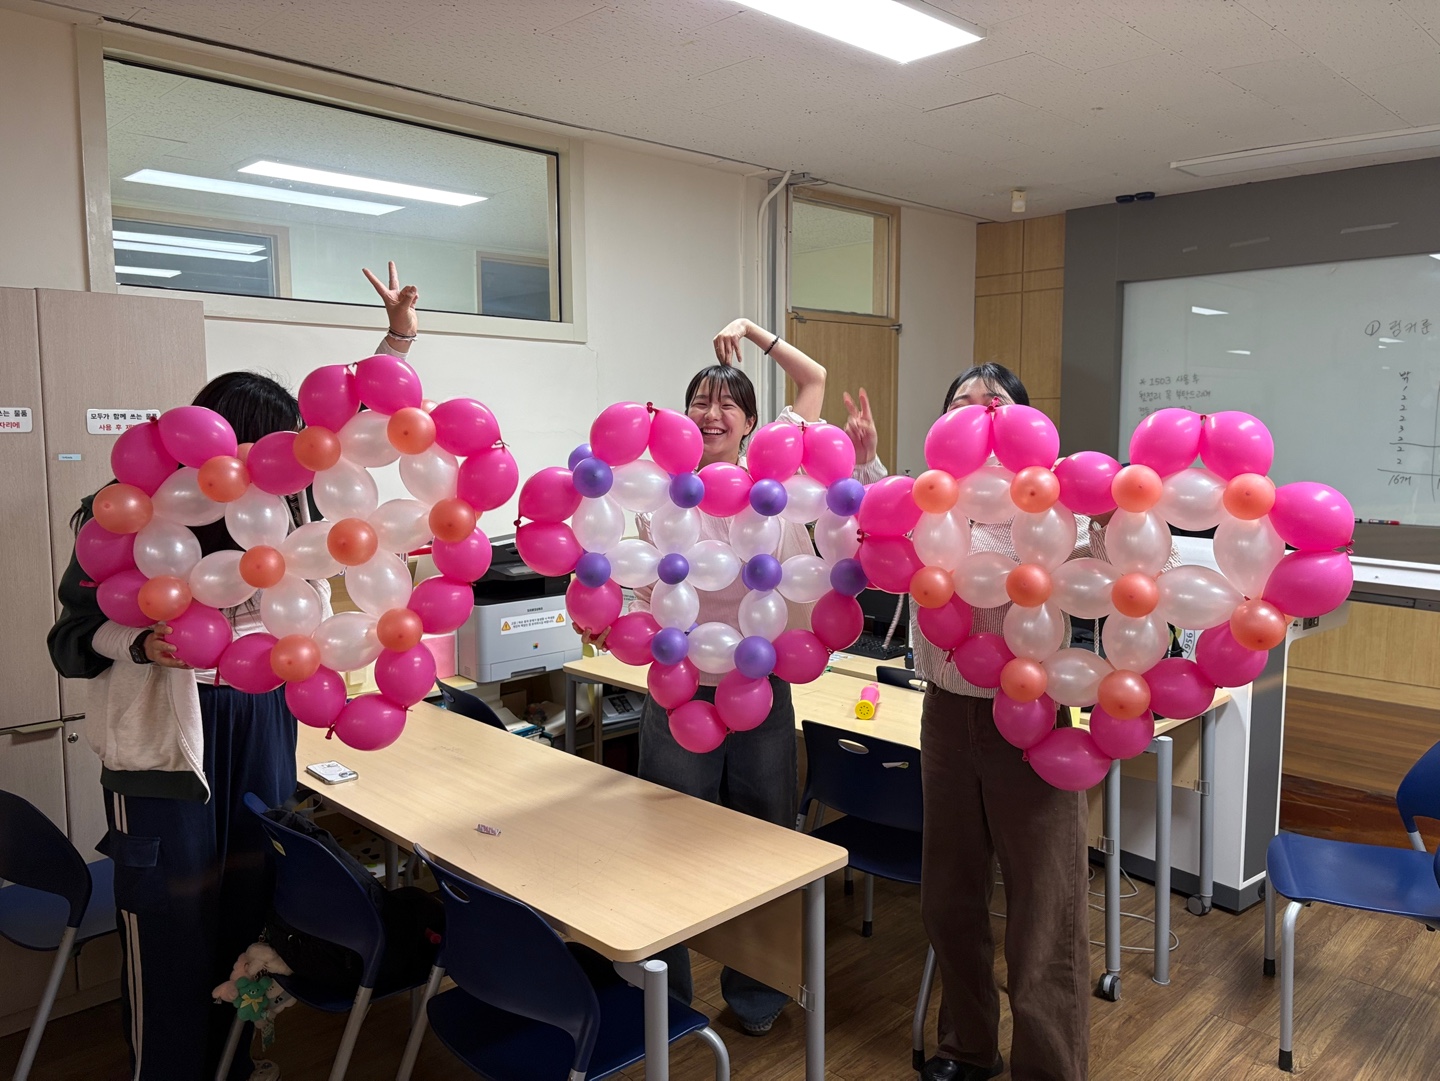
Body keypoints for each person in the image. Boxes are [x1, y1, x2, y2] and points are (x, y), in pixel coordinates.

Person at [45, 264, 418, 1081]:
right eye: (264, 450)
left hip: (260, 721)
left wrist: (395, 342)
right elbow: (67, 642)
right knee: (170, 930)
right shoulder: (132, 515)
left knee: (253, 915)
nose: (281, 471)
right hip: (163, 748)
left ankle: (237, 1063)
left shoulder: (285, 513)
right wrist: (140, 644)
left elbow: (351, 430)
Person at [846, 363, 1147, 1081]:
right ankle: (967, 1048)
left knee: (1045, 911)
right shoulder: (933, 499)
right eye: (963, 402)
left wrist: (1116, 511)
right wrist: (867, 461)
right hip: (946, 714)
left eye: (997, 401)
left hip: (1033, 720)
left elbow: (1106, 568)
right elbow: (886, 526)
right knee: (950, 899)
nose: (980, 412)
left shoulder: (1048, 507)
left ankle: (1049, 1067)